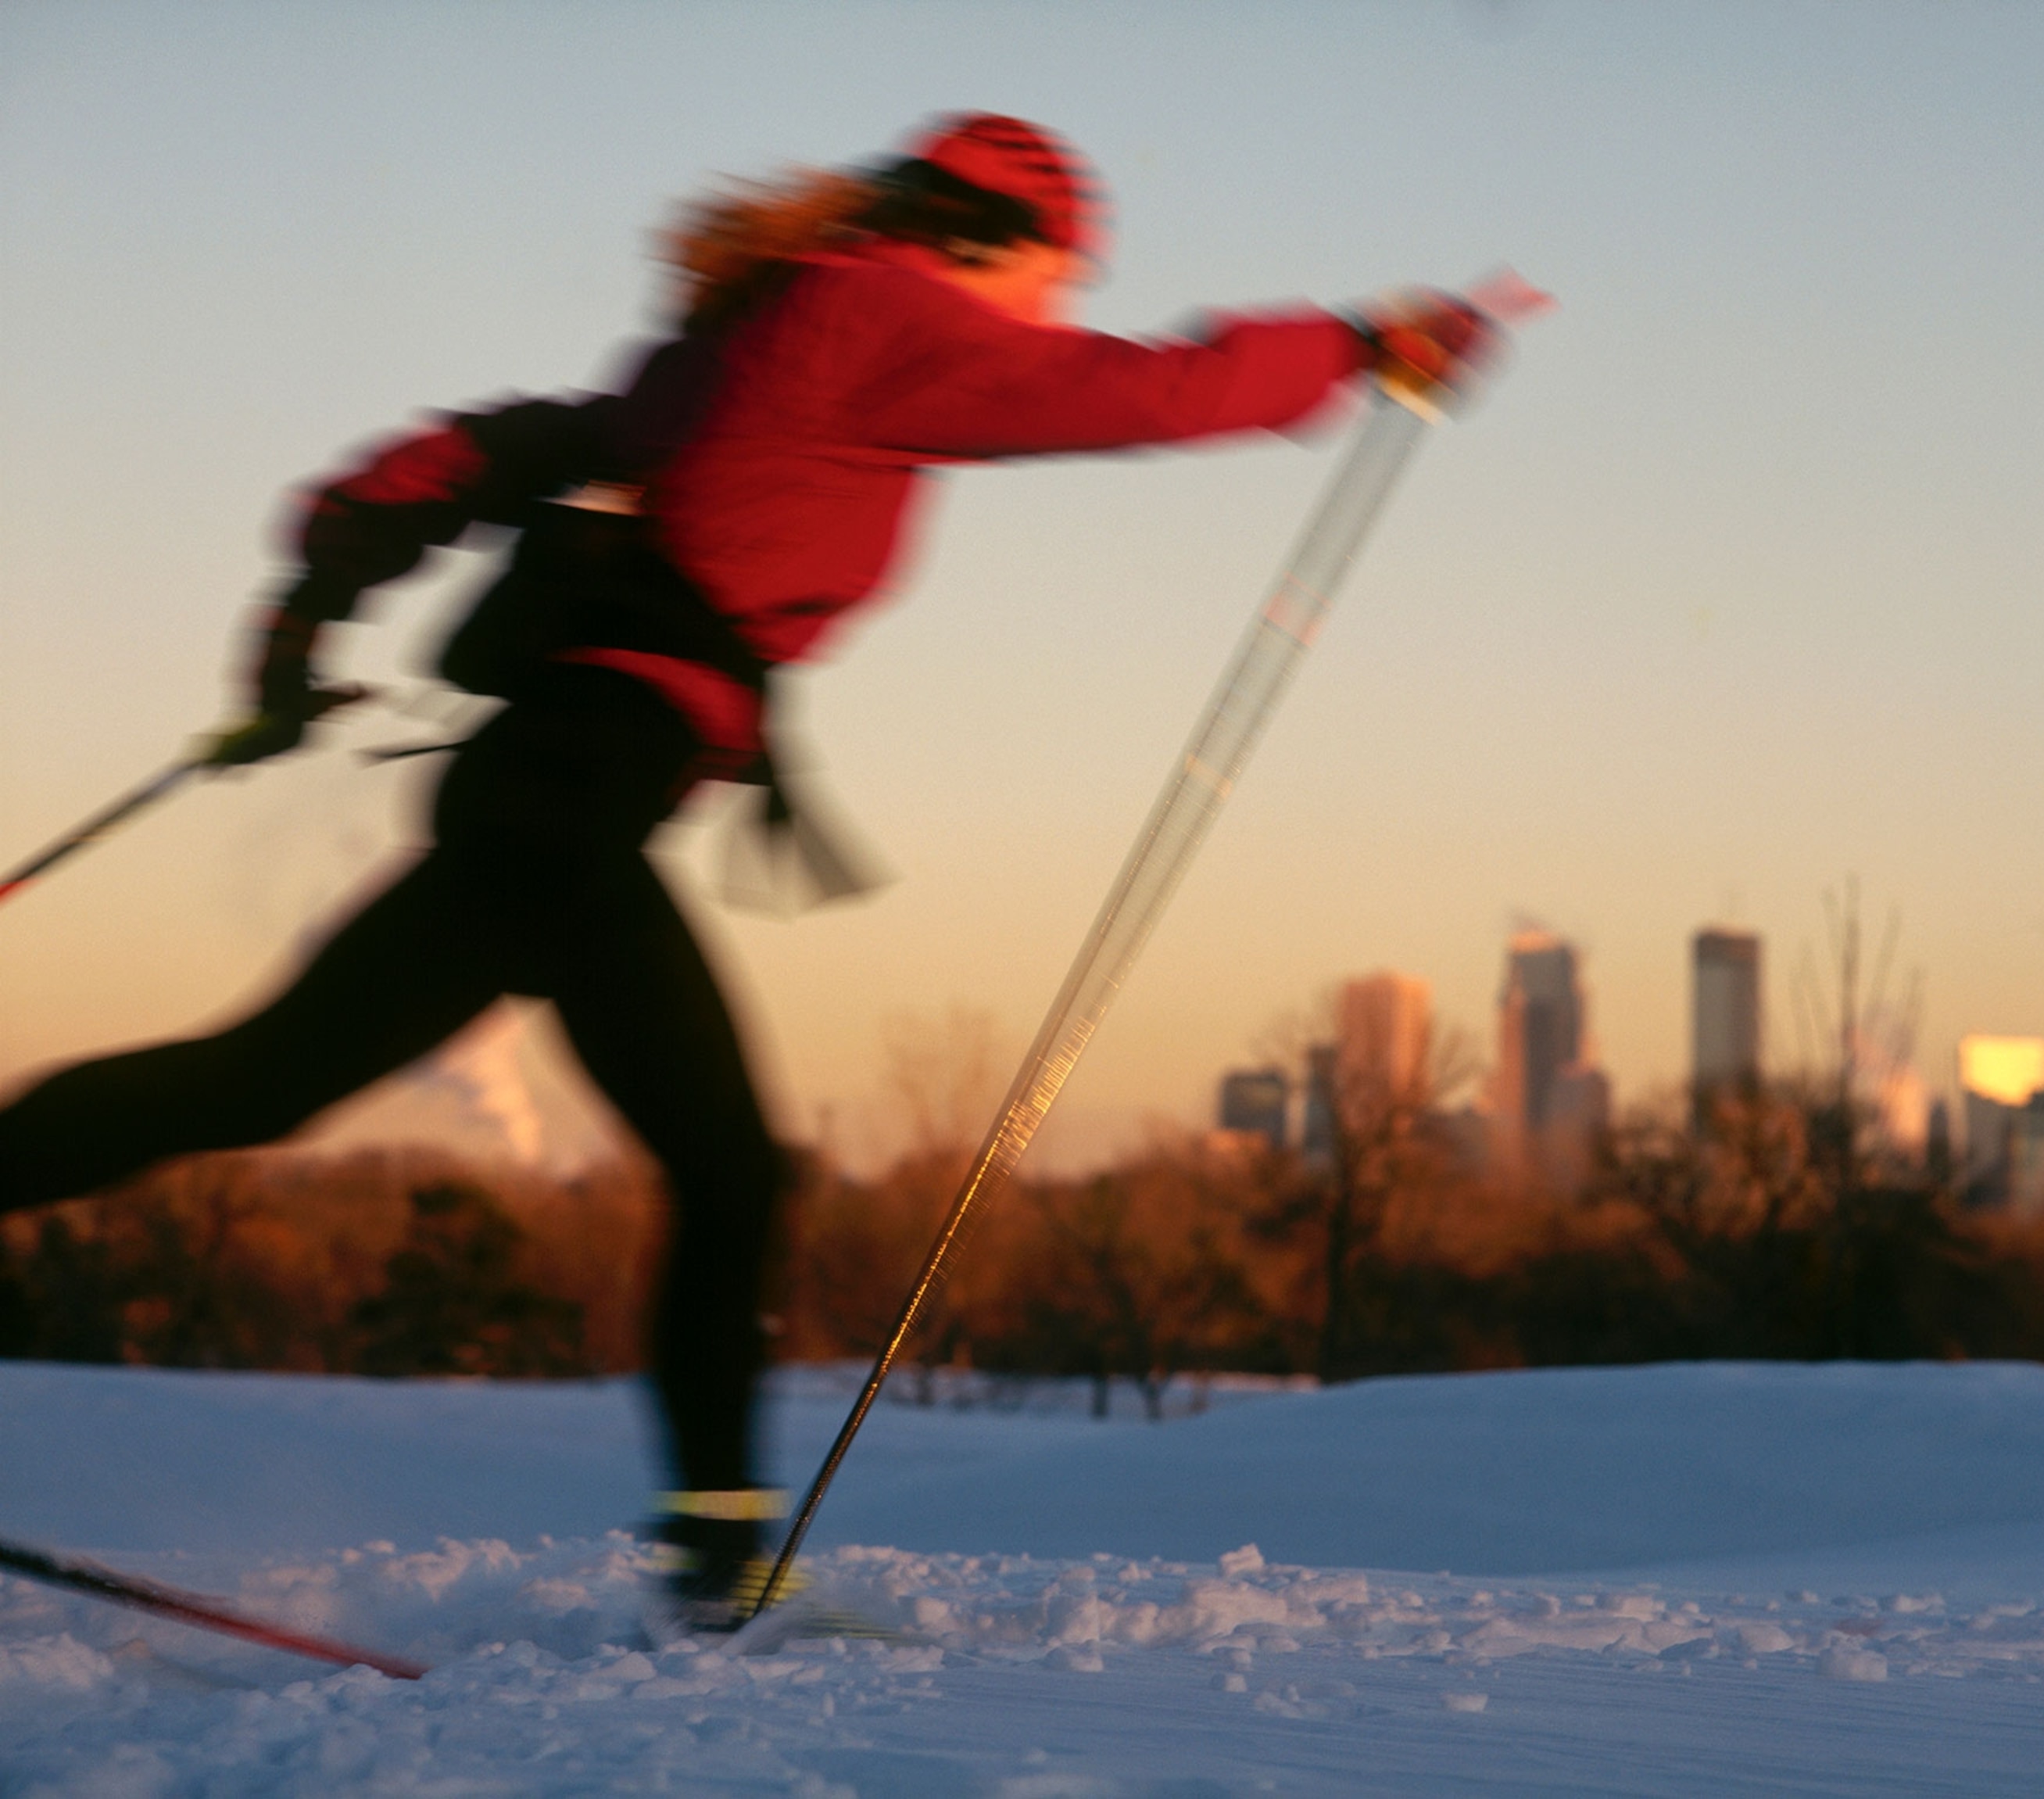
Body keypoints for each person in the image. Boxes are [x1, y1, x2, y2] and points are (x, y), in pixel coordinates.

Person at [0, 113, 1487, 1634]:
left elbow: (469, 457)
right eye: (1065, 265)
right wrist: (1367, 340)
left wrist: (300, 634)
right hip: (571, 795)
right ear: (997, 237)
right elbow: (1136, 392)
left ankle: (719, 1551)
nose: (1058, 299)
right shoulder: (879, 313)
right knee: (722, 1165)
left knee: (255, 1085)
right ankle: (721, 1566)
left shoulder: (744, 338)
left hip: (544, 790)